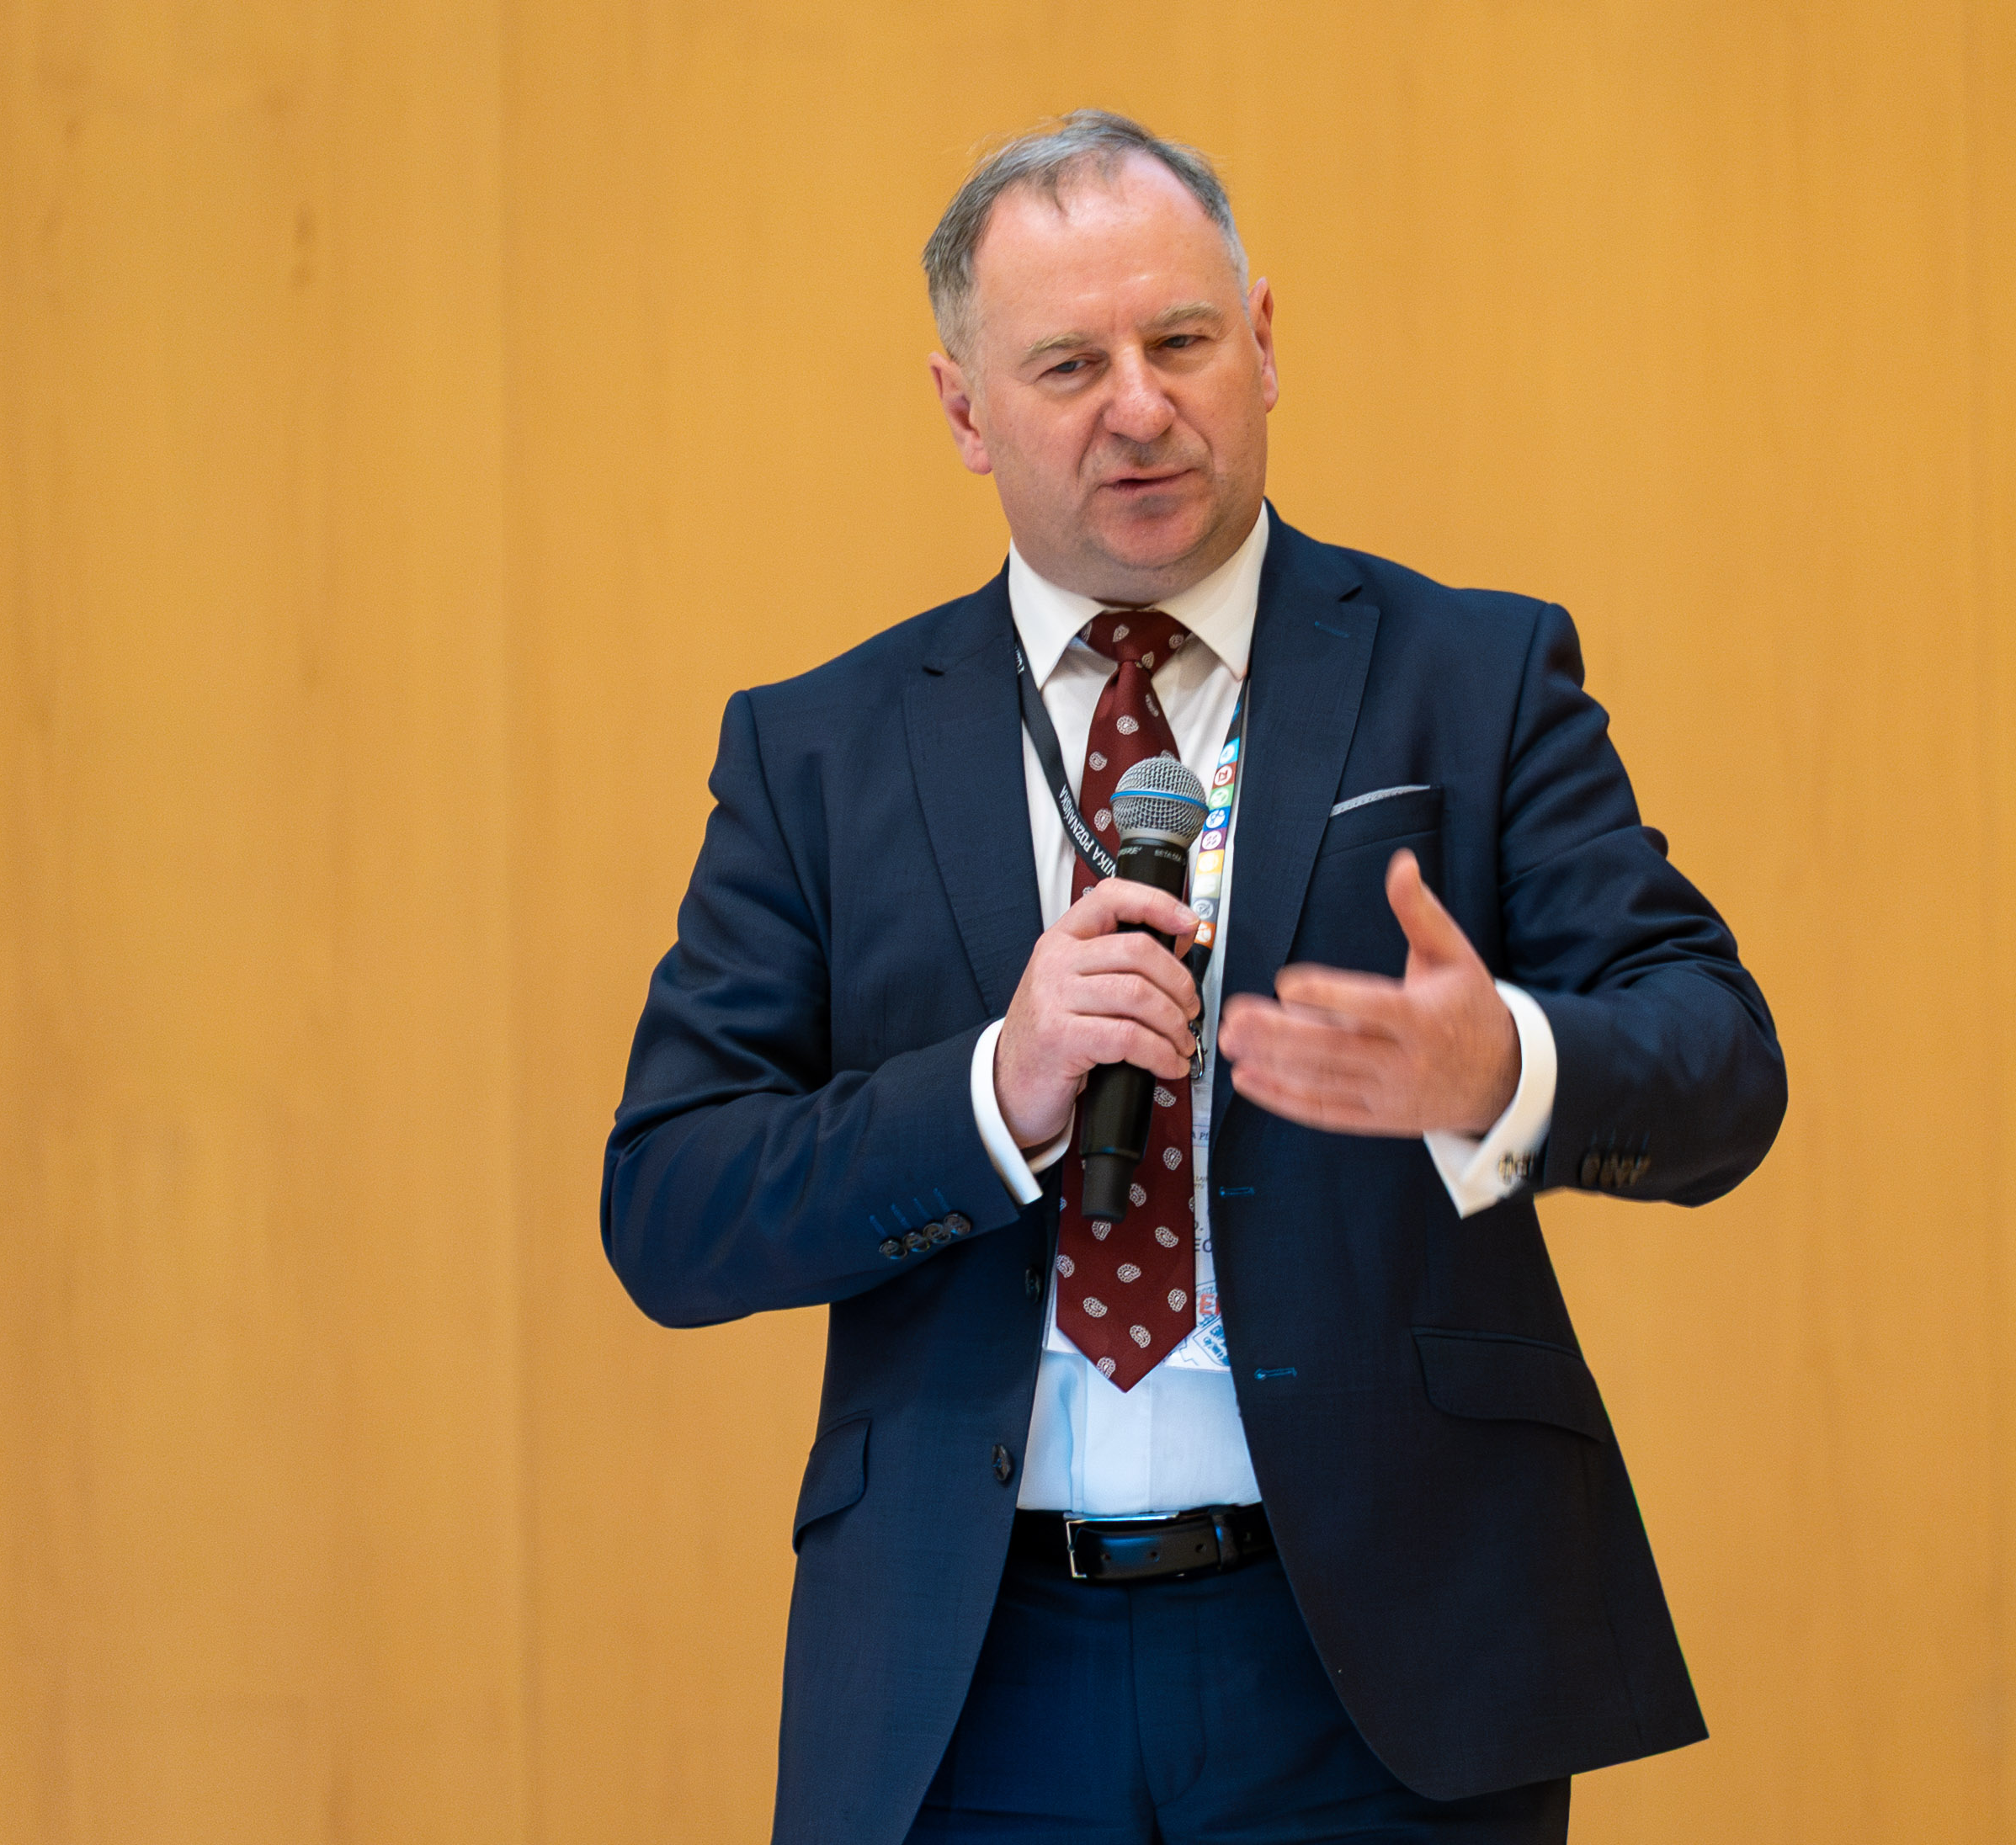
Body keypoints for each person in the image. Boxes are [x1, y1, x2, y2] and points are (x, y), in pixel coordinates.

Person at [604, 110, 1785, 1845]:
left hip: (1383, 1662)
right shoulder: (819, 751)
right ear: (963, 410)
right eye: (1069, 365)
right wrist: (992, 1097)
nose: (1141, 407)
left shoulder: (1471, 674)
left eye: (1181, 340)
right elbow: (672, 1204)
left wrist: (1504, 1071)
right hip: (972, 1674)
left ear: (1265, 342)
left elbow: (1719, 1065)